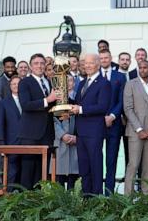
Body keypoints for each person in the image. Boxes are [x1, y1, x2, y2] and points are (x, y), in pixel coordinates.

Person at [70, 53, 111, 197]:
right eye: (85, 63)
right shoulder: (81, 83)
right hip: (81, 132)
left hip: (94, 132)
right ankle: (86, 198)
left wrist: (80, 109)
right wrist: (67, 111)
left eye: (90, 63)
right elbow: (76, 103)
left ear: (98, 64)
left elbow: (103, 106)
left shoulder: (104, 83)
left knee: (95, 166)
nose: (87, 66)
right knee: (84, 167)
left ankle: (96, 198)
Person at [17, 53, 60, 190]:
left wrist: (62, 112)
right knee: (28, 171)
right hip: (30, 134)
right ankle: (25, 202)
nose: (39, 66)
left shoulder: (49, 81)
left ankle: (39, 202)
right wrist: (48, 100)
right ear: (30, 66)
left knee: (42, 172)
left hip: (47, 132)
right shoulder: (24, 82)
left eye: (42, 63)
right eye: (36, 63)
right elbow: (26, 105)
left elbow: (51, 106)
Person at [123, 60, 148, 195]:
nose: (142, 70)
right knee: (133, 165)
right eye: (140, 68)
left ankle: (146, 197)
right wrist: (139, 129)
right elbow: (128, 109)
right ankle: (127, 198)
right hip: (136, 132)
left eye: (145, 67)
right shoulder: (130, 84)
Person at [99, 49, 126, 195]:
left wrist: (112, 116)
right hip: (97, 124)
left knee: (111, 160)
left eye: (106, 57)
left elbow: (122, 100)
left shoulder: (120, 77)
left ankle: (109, 193)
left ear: (111, 58)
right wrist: (101, 118)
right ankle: (96, 192)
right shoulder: (94, 76)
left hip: (114, 125)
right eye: (101, 58)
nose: (103, 60)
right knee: (96, 158)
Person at [51, 75, 79, 190]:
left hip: (73, 142)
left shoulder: (75, 103)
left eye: (70, 81)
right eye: (65, 81)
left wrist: (75, 136)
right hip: (59, 142)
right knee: (59, 175)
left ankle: (73, 203)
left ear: (73, 83)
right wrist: (62, 135)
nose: (68, 83)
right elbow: (52, 121)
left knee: (74, 175)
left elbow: (79, 120)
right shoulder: (53, 104)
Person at [0, 75, 22, 191]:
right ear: (10, 86)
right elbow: (0, 125)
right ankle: (9, 198)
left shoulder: (27, 100)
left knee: (24, 173)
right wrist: (2, 145)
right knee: (11, 173)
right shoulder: (3, 103)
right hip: (11, 143)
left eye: (19, 84)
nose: (16, 86)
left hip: (27, 143)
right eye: (14, 84)